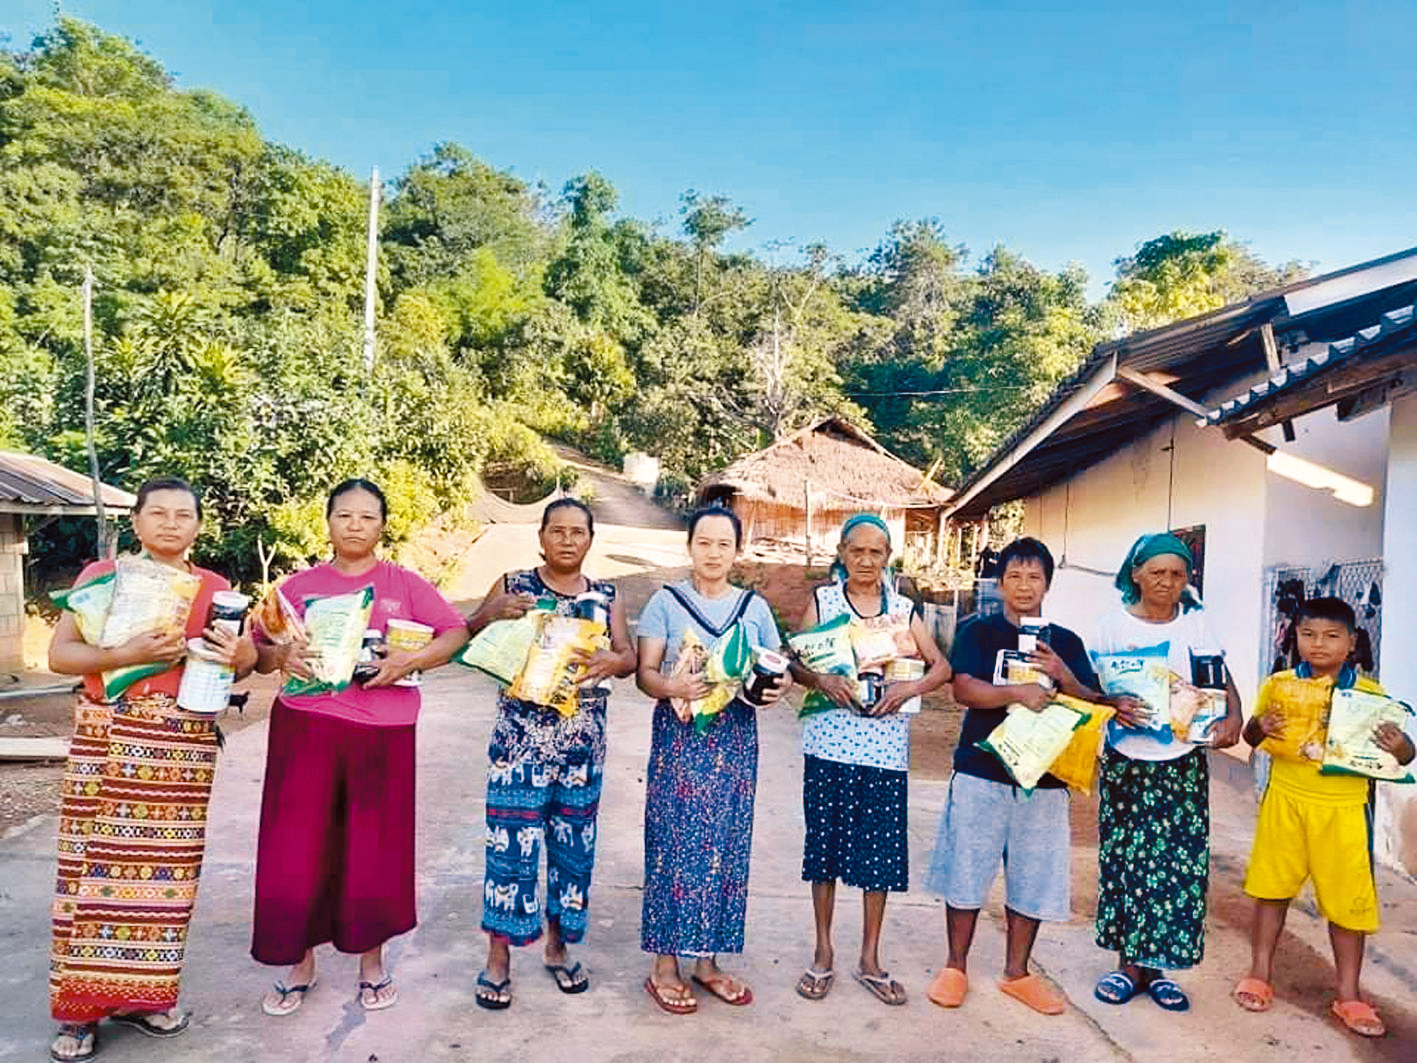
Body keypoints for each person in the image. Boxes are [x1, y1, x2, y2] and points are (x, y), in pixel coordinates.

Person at [46, 477, 258, 1063]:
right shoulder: (101, 579)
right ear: (135, 523)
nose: (170, 524)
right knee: (89, 877)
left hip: (179, 748)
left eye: (183, 515)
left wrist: (243, 657)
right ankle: (79, 1012)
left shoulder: (217, 590)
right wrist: (124, 655)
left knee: (165, 883)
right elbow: (60, 655)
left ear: (197, 526)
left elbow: (241, 665)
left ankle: (147, 997)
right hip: (107, 736)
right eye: (157, 513)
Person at [250, 479, 469, 1017]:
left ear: (382, 526)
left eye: (367, 517)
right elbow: (255, 650)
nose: (354, 525)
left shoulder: (405, 584)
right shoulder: (295, 588)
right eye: (344, 515)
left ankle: (371, 963)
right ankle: (297, 961)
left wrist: (407, 662)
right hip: (306, 726)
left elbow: (455, 632)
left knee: (374, 851)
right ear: (327, 521)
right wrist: (280, 659)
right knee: (295, 847)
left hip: (382, 731)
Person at [463, 498, 637, 1009]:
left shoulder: (608, 597)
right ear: (540, 538)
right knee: (509, 852)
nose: (566, 540)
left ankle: (557, 947)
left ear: (590, 540)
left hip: (582, 747)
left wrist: (614, 660)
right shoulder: (514, 584)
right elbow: (466, 638)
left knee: (572, 852)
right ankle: (498, 958)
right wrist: (489, 612)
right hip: (518, 743)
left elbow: (627, 658)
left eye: (577, 531)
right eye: (556, 531)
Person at [925, 537, 1103, 1015]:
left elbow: (1089, 699)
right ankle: (955, 966)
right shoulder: (978, 632)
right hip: (982, 770)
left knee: (1034, 875)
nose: (1025, 586)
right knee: (967, 866)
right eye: (1015, 576)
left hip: (1044, 780)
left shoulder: (1065, 641)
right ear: (1000, 582)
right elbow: (964, 689)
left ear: (1048, 583)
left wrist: (1062, 673)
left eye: (1035, 577)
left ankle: (1017, 973)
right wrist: (1018, 693)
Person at [791, 514, 952, 1006]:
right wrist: (821, 681)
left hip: (884, 754)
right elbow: (795, 660)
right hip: (829, 747)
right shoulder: (823, 602)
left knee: (877, 860)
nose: (865, 560)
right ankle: (823, 954)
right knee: (825, 854)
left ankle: (870, 958)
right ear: (841, 553)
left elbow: (942, 667)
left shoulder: (904, 611)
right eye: (856, 551)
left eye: (875, 552)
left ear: (888, 558)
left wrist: (911, 687)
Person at [635, 506, 791, 1015]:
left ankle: (706, 963)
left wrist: (775, 687)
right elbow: (645, 675)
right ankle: (664, 965)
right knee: (672, 844)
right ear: (690, 547)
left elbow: (777, 669)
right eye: (704, 542)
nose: (714, 553)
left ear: (737, 551)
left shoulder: (755, 608)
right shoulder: (666, 602)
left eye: (724, 544)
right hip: (680, 742)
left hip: (734, 743)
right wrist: (674, 685)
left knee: (725, 846)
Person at [1234, 597, 1413, 1038]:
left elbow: (1406, 753)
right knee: (1271, 891)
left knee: (1348, 905)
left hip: (1345, 810)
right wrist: (1262, 726)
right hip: (1287, 801)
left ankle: (1349, 994)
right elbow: (1250, 736)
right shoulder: (1278, 684)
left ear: (1351, 643)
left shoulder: (1370, 696)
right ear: (1296, 637)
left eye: (1332, 636)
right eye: (1308, 634)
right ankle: (1260, 972)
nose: (1319, 645)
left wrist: (1399, 746)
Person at [1090, 532, 1243, 1013]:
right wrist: (1110, 705)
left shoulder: (1195, 625)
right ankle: (1127, 965)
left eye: (1177, 574)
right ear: (1135, 574)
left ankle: (1158, 968)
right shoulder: (1110, 627)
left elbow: (1220, 678)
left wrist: (1234, 718)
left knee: (1176, 868)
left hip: (1181, 764)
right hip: (1127, 764)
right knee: (1128, 861)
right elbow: (1086, 689)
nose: (1167, 582)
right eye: (1157, 572)